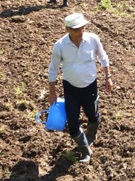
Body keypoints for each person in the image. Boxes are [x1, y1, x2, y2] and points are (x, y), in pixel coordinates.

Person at [47, 13, 112, 163]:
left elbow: (103, 57)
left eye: (82, 28)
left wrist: (108, 77)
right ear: (67, 29)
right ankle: (85, 151)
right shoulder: (60, 45)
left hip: (90, 86)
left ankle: (91, 134)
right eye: (76, 30)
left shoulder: (92, 39)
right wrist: (52, 92)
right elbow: (53, 69)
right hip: (71, 88)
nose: (80, 32)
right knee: (73, 124)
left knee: (92, 116)